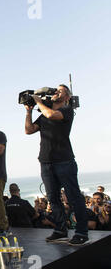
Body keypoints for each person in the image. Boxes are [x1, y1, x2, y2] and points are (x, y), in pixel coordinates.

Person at [25, 85, 89, 246]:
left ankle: (82, 232)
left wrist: (39, 101)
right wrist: (28, 111)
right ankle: (61, 230)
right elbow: (29, 130)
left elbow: (51, 114)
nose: (56, 92)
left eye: (60, 91)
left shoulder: (66, 110)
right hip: (46, 161)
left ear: (67, 97)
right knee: (53, 198)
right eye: (56, 90)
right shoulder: (44, 114)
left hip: (64, 160)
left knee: (74, 197)